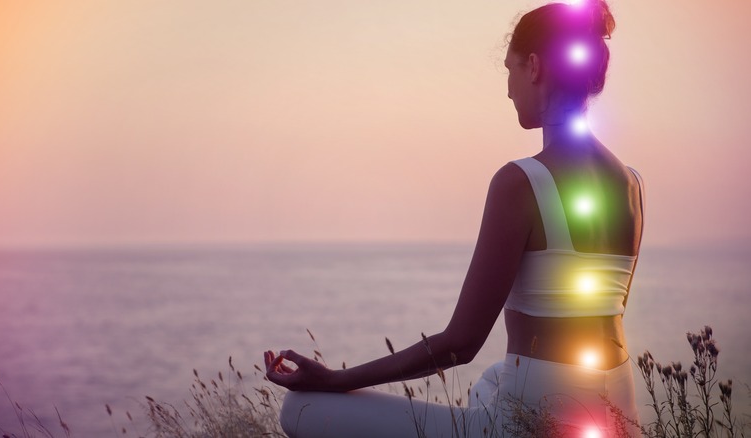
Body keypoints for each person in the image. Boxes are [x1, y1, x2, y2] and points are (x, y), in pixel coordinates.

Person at [264, 0, 644, 436]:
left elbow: (459, 345)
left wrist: (335, 380)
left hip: (531, 426)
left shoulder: (521, 181)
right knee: (490, 380)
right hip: (617, 416)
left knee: (300, 409)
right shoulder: (632, 185)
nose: (507, 89)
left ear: (534, 67)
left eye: (510, 69)